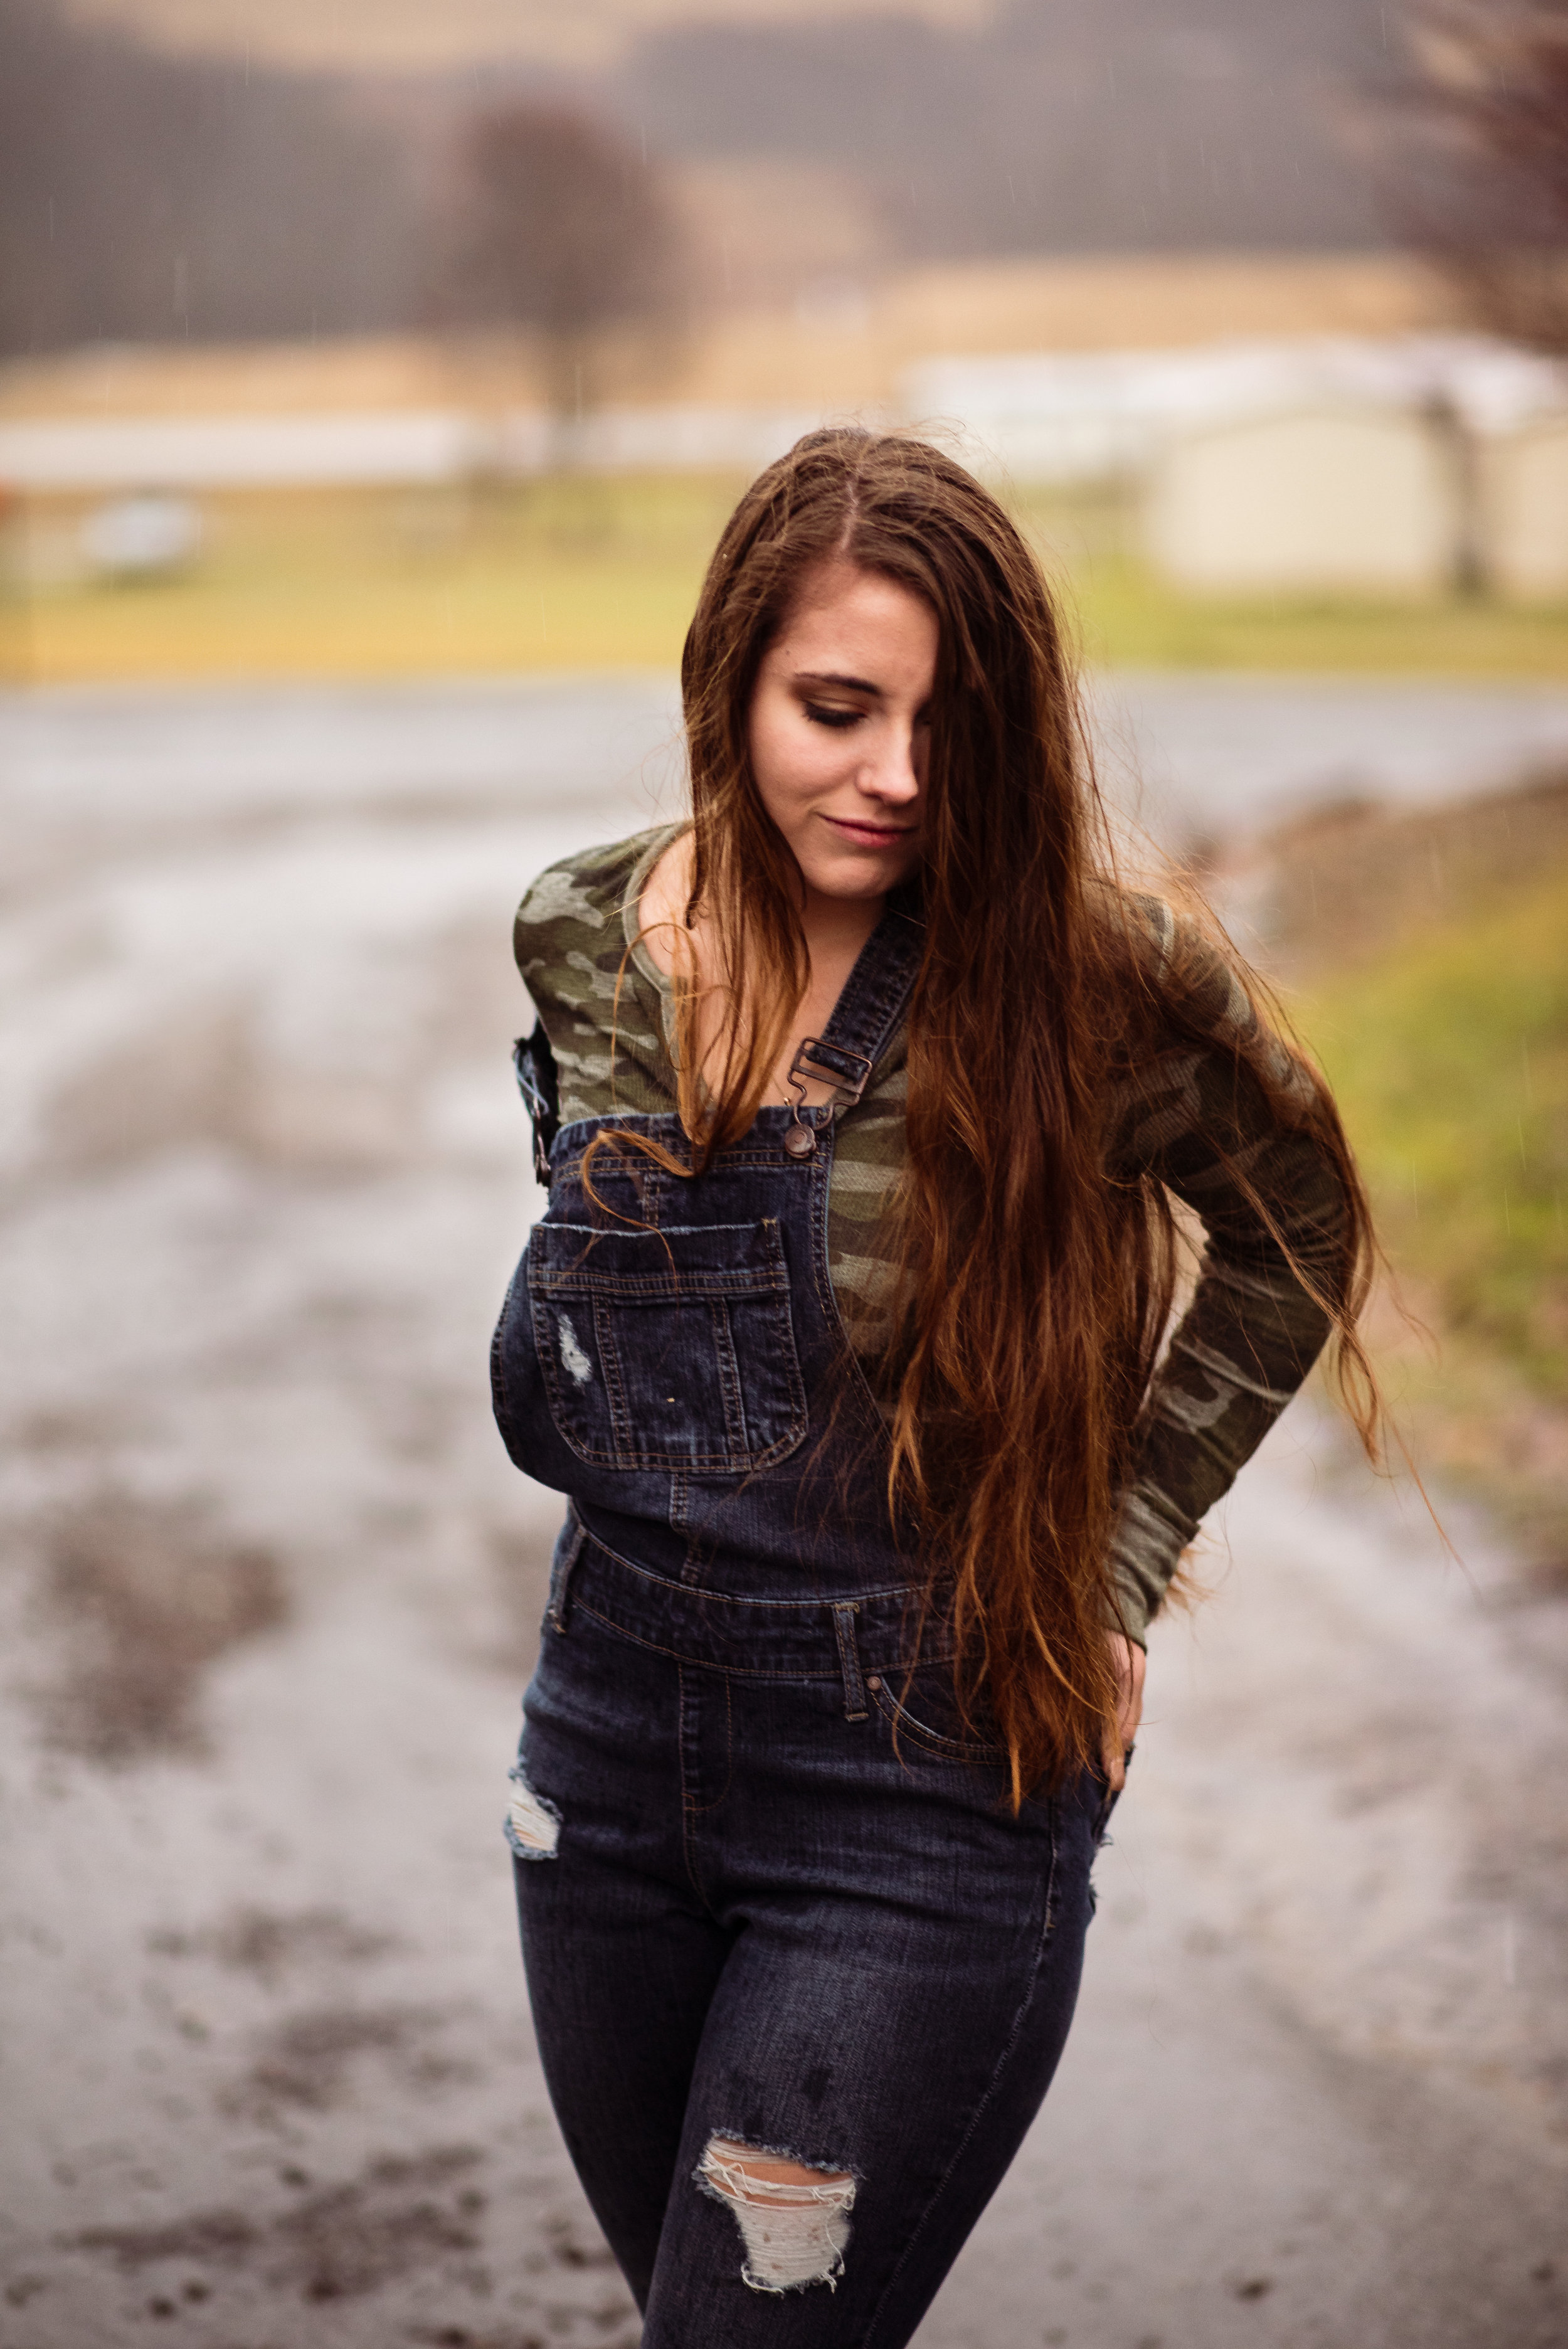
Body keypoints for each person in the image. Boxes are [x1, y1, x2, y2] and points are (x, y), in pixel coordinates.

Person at [489, 428, 1378, 2346]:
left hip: (921, 1783)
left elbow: (1299, 1223)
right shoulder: (581, 933)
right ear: (727, 678)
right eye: (835, 707)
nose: (897, 776)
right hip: (602, 1762)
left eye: (947, 724)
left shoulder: (1082, 976)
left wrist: (1119, 1546)